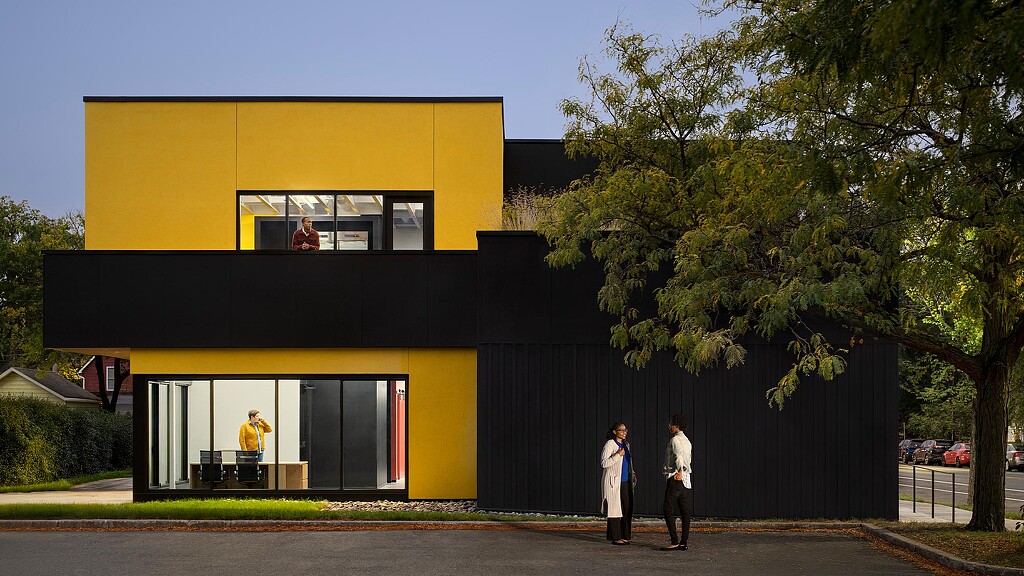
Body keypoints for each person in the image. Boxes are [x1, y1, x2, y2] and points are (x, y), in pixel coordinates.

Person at [600, 422, 635, 545]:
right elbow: (604, 463)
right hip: (614, 482)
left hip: (626, 481)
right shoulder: (610, 444)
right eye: (621, 430)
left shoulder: (626, 444)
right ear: (615, 432)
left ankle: (625, 535)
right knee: (614, 509)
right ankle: (615, 537)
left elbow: (627, 463)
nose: (624, 432)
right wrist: (617, 455)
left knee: (627, 508)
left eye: (625, 430)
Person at [661, 413, 692, 551]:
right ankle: (684, 542)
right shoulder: (687, 440)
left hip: (676, 477)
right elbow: (688, 459)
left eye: (671, 424)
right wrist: (683, 471)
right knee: (684, 509)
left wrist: (679, 471)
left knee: (668, 507)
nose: (669, 426)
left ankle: (674, 541)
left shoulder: (675, 440)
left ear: (677, 425)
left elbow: (679, 457)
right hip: (685, 478)